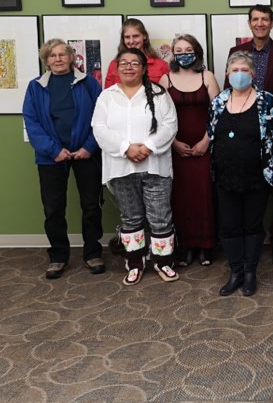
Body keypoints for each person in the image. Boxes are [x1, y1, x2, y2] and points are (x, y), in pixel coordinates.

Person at [92, 47, 179, 286]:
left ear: (143, 68)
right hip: (121, 168)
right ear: (117, 68)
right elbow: (99, 128)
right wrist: (125, 148)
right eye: (123, 63)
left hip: (155, 166)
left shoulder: (160, 94)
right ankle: (135, 264)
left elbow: (170, 125)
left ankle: (163, 263)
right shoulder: (107, 96)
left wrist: (148, 146)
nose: (128, 67)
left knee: (160, 217)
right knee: (131, 218)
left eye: (134, 63)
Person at [22, 39, 105, 280]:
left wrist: (89, 146)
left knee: (91, 205)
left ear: (71, 58)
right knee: (53, 208)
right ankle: (58, 256)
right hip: (51, 157)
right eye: (52, 56)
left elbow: (101, 117)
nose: (57, 59)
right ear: (46, 60)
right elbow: (32, 122)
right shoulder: (36, 87)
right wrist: (53, 150)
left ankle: (92, 253)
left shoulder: (88, 83)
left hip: (86, 154)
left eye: (62, 55)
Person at [209, 51, 273, 297]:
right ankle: (236, 273)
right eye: (235, 70)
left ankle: (251, 273)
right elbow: (212, 133)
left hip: (257, 176)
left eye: (244, 70)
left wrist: (267, 160)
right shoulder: (219, 102)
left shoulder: (268, 101)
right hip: (225, 176)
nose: (240, 74)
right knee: (230, 226)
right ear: (227, 74)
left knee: (253, 225)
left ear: (253, 73)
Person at [227, 5, 273, 267]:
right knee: (247, 189)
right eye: (255, 19)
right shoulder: (237, 53)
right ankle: (249, 241)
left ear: (272, 23)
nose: (260, 23)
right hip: (243, 134)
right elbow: (228, 92)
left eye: (264, 19)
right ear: (249, 24)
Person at [158, 34, 220, 268]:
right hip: (175, 148)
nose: (184, 53)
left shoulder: (208, 76)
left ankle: (205, 247)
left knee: (204, 196)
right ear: (173, 53)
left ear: (197, 52)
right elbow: (161, 117)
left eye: (189, 49)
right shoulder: (165, 79)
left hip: (204, 147)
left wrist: (207, 140)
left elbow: (218, 112)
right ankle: (185, 248)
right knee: (180, 198)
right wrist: (173, 142)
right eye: (179, 50)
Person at [104, 18, 171, 89]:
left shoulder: (162, 65)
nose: (131, 41)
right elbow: (108, 94)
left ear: (144, 36)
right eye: (127, 37)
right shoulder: (114, 64)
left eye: (135, 36)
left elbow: (166, 96)